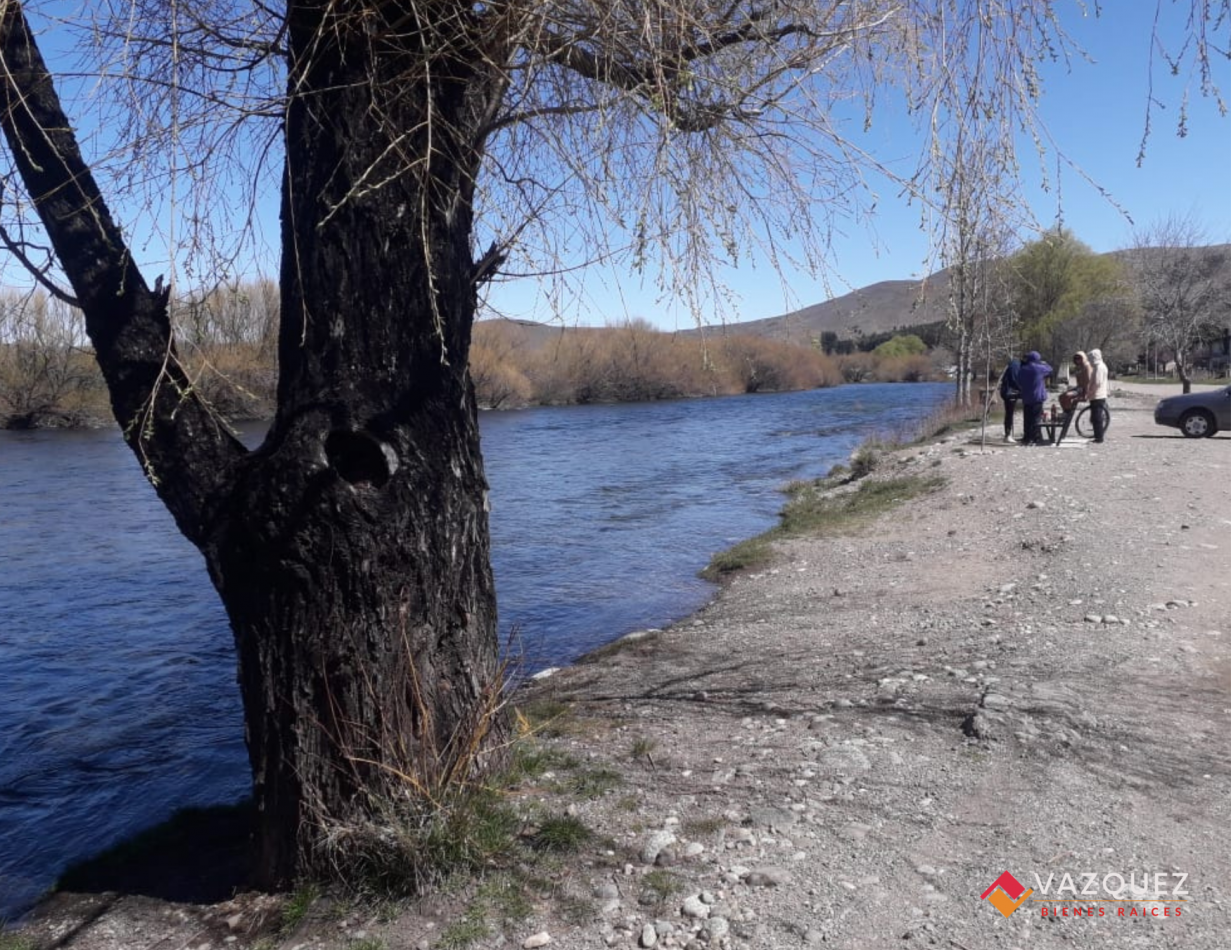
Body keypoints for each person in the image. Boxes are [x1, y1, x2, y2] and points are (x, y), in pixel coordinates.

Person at [1017, 350, 1054, 446]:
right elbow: (1050, 369)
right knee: (1036, 418)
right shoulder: (1039, 368)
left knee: (1027, 418)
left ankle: (1027, 437)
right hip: (1037, 397)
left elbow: (1019, 381)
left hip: (1026, 397)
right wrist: (1043, 363)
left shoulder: (1023, 369)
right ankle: (1036, 437)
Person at [1054, 351, 1089, 446]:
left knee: (1067, 396)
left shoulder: (1087, 367)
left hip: (1083, 389)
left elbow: (1088, 382)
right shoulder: (1079, 368)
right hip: (1079, 387)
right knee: (1061, 396)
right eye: (1076, 359)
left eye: (1079, 358)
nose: (1077, 360)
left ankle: (1068, 413)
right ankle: (1066, 412)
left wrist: (1085, 394)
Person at [1086, 348, 1109, 443]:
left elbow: (1097, 382)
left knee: (1097, 417)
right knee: (1095, 417)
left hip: (1098, 395)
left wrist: (1090, 391)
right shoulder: (1099, 366)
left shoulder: (1099, 367)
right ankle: (1097, 436)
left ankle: (1099, 437)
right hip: (1097, 394)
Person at [997, 357, 1022, 442]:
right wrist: (1022, 389)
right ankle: (1007, 435)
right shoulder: (1015, 367)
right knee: (1009, 414)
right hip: (1010, 393)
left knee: (1009, 413)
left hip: (1007, 392)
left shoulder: (1012, 365)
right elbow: (1014, 381)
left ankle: (1008, 434)